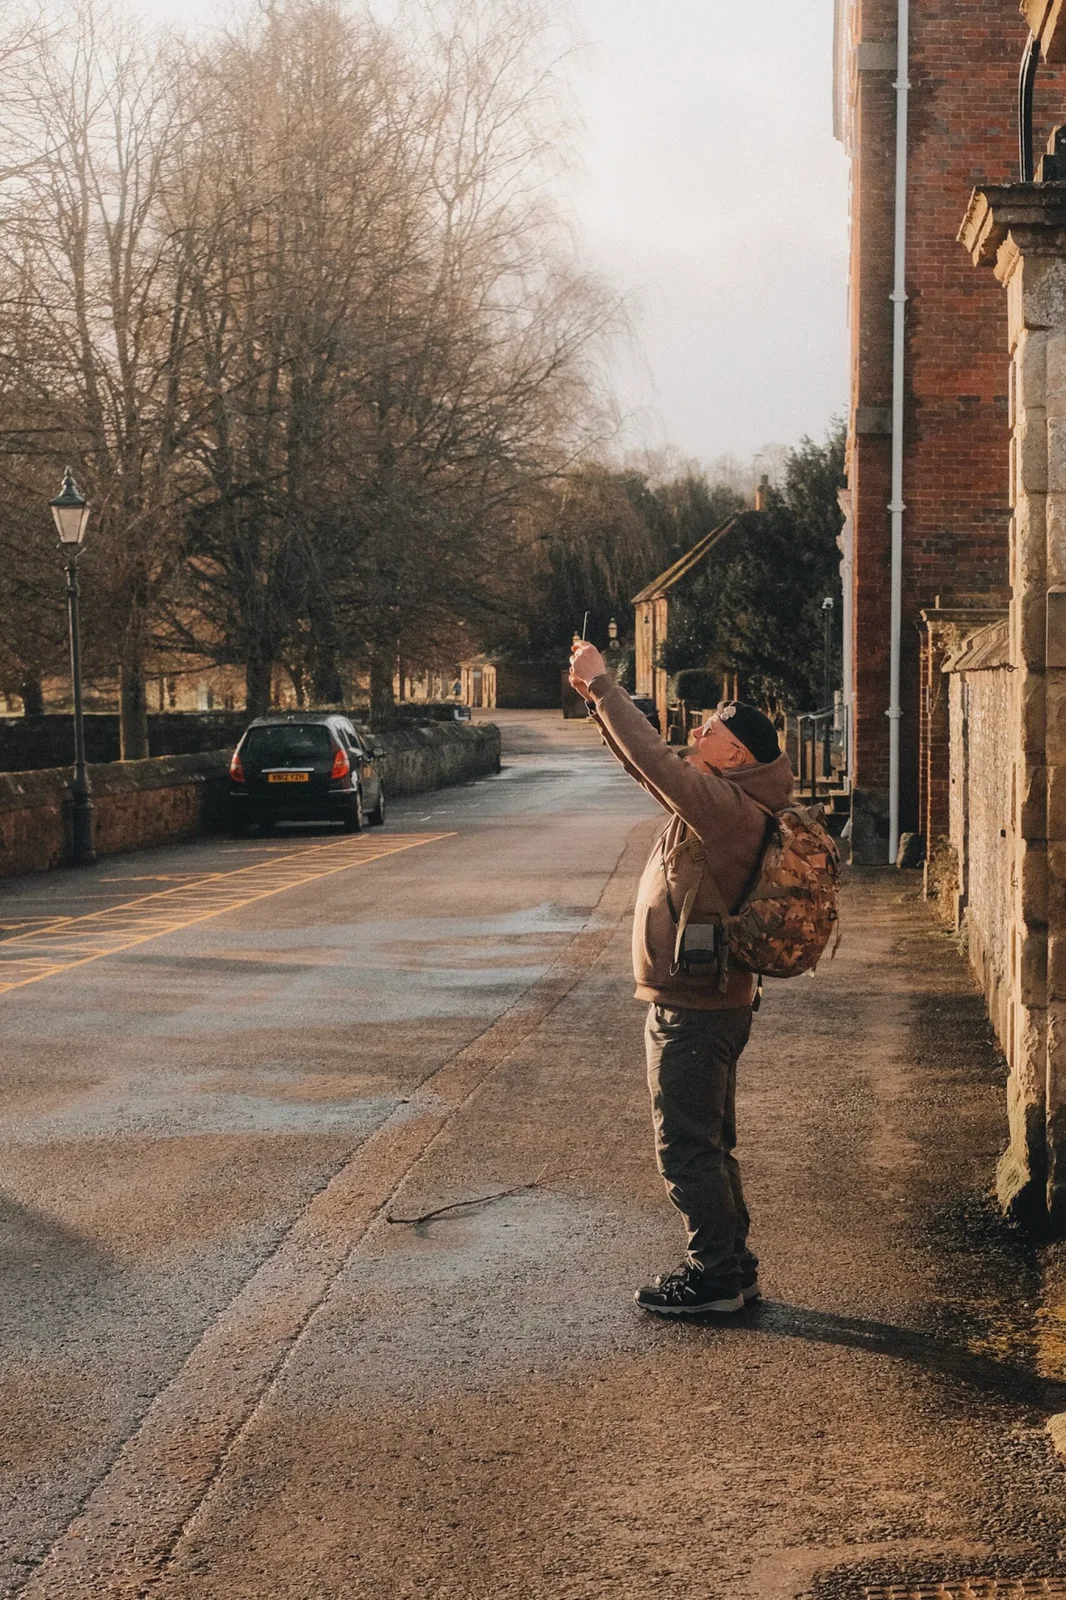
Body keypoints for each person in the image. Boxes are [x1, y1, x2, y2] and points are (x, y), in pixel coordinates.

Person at [569, 642, 794, 1317]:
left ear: (736, 756)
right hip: (710, 1002)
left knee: (687, 1147)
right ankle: (735, 1265)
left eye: (711, 731)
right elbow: (649, 771)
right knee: (711, 1142)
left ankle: (714, 1275)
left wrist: (606, 686)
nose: (696, 733)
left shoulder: (727, 809)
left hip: (695, 1010)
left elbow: (656, 761)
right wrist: (595, 701)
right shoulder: (725, 801)